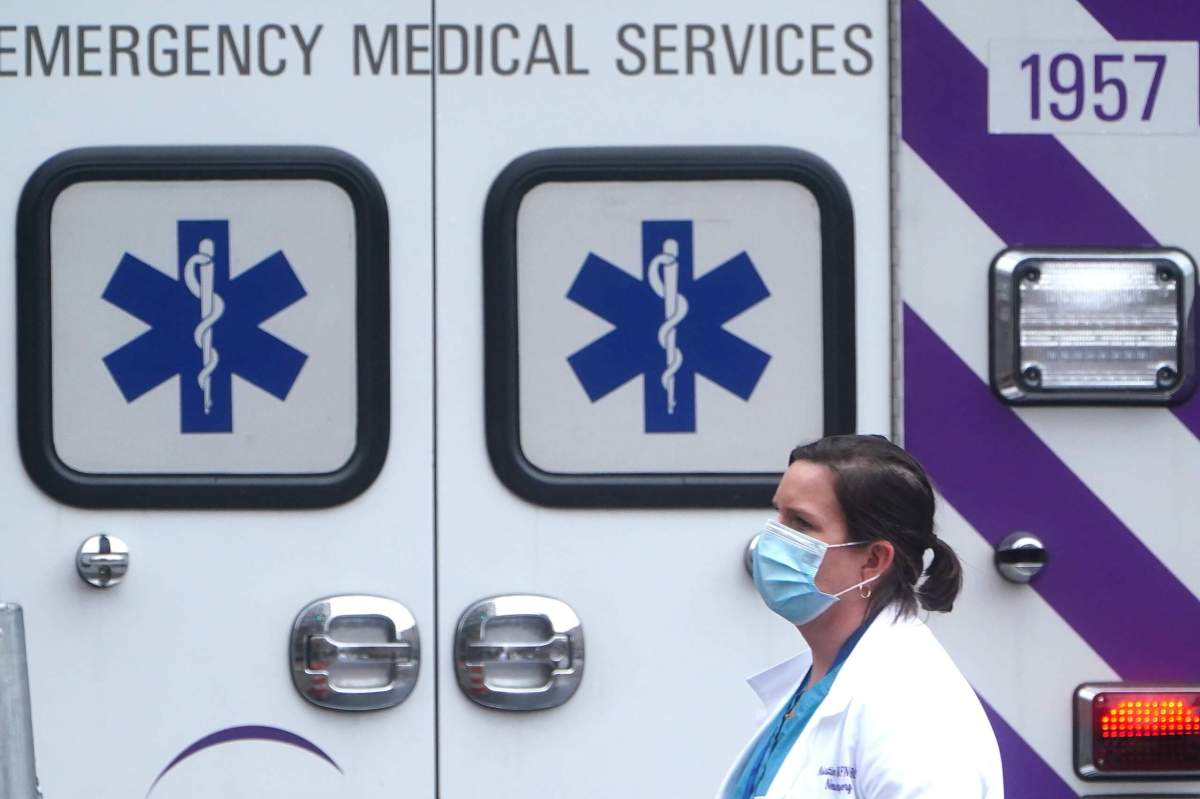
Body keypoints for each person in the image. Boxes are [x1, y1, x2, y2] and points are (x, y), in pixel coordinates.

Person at [716, 434, 1002, 798]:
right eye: (779, 515)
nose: (771, 540)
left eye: (801, 523)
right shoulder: (820, 682)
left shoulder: (916, 711)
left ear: (873, 560)